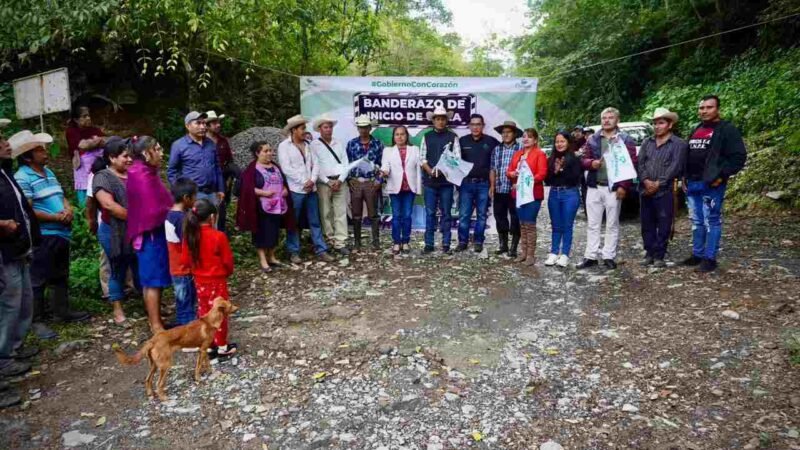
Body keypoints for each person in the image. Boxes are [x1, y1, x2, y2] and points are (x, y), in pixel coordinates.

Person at [14, 131, 89, 341]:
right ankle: (37, 320)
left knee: (60, 274)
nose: (44, 152)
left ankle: (62, 311)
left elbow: (61, 195)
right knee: (38, 278)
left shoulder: (48, 172)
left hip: (60, 232)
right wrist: (55, 217)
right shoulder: (23, 176)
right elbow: (28, 210)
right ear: (28, 156)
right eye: (39, 150)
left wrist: (68, 209)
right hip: (44, 234)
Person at [682, 95, 747, 273]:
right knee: (696, 221)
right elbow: (688, 155)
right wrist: (684, 177)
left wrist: (721, 176)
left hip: (712, 184)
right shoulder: (696, 129)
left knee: (711, 220)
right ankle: (697, 254)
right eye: (701, 108)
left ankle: (710, 258)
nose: (704, 111)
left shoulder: (727, 129)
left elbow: (738, 157)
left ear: (717, 109)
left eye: (709, 107)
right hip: (693, 183)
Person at [1, 122, 41, 396]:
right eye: (1, 140)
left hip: (18, 249)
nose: (7, 143)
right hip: (5, 252)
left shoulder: (6, 174)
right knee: (9, 304)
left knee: (23, 301)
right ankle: (3, 359)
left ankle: (13, 349)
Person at [577, 107, 638, 271]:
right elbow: (583, 160)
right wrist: (591, 163)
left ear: (617, 120)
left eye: (610, 117)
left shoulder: (625, 139)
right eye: (604, 117)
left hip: (614, 188)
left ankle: (608, 256)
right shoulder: (593, 139)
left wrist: (624, 186)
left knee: (612, 223)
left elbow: (631, 164)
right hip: (594, 186)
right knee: (593, 223)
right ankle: (590, 256)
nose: (607, 120)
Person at [180, 198, 237, 358]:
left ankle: (209, 344)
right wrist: (226, 272)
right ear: (212, 217)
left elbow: (184, 261)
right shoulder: (218, 236)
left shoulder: (190, 237)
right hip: (217, 282)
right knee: (220, 313)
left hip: (199, 282)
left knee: (204, 312)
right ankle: (222, 346)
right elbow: (227, 261)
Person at [126, 136, 172, 333]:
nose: (161, 153)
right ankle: (155, 324)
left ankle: (156, 319)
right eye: (158, 149)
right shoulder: (140, 174)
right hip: (149, 234)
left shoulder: (147, 172)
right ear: (146, 153)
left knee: (156, 279)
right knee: (152, 281)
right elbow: (151, 210)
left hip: (156, 232)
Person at [93, 137, 140, 325]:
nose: (130, 160)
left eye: (131, 156)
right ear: (112, 158)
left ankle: (150, 303)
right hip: (113, 231)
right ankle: (118, 310)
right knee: (118, 269)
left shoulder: (134, 174)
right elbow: (108, 205)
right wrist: (137, 218)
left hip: (136, 230)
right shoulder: (103, 177)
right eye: (125, 156)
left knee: (140, 267)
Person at [277, 115, 334, 263]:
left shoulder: (308, 145)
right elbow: (286, 168)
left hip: (311, 189)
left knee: (315, 221)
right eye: (302, 128)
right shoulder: (284, 146)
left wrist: (312, 180)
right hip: (296, 190)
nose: (305, 131)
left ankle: (321, 249)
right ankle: (293, 251)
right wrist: (304, 181)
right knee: (293, 222)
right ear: (294, 130)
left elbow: (316, 164)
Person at [638, 108, 688, 268]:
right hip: (645, 189)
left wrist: (659, 183)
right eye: (655, 123)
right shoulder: (647, 142)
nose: (657, 126)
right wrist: (645, 180)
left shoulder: (679, 144)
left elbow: (676, 166)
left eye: (661, 123)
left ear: (670, 124)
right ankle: (649, 252)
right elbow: (641, 163)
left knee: (664, 222)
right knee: (647, 222)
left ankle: (659, 254)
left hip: (665, 190)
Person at [237, 141, 291, 272]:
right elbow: (245, 188)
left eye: (270, 150)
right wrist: (263, 192)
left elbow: (283, 182)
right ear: (257, 153)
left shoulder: (275, 166)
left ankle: (271, 256)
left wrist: (285, 190)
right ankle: (263, 259)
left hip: (278, 205)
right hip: (261, 206)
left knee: (274, 231)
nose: (269, 153)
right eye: (265, 151)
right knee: (261, 232)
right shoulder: (252, 169)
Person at [420, 106, 461, 254]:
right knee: (430, 213)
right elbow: (422, 158)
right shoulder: (427, 136)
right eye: (438, 119)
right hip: (430, 182)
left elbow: (457, 159)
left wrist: (444, 169)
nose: (440, 121)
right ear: (433, 121)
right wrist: (430, 170)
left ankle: (446, 244)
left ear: (446, 120)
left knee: (446, 214)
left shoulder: (452, 137)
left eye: (443, 119)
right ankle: (429, 244)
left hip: (446, 183)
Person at [167, 111, 225, 214]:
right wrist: (181, 193)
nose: (203, 127)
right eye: (198, 123)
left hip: (212, 193)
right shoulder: (179, 145)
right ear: (187, 126)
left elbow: (217, 167)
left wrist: (221, 189)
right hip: (193, 195)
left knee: (213, 224)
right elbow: (172, 171)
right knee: (194, 226)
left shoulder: (210, 143)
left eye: (204, 123)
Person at [457, 114, 498, 253]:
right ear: (469, 126)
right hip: (466, 184)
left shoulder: (492, 142)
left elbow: (497, 163)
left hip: (484, 184)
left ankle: (478, 241)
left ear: (483, 126)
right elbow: (455, 163)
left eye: (478, 124)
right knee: (464, 215)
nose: (475, 127)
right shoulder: (461, 141)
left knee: (481, 215)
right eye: (473, 124)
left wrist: (493, 185)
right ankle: (462, 241)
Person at [506, 128, 548, 266]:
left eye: (529, 137)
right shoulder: (518, 154)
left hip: (532, 194)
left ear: (535, 140)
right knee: (522, 224)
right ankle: (523, 252)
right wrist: (512, 175)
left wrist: (526, 180)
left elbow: (542, 174)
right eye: (524, 137)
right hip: (518, 194)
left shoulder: (539, 154)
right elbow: (509, 171)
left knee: (529, 224)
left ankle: (531, 255)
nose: (526, 139)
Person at [310, 115, 350, 255]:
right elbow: (315, 166)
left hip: (340, 182)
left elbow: (345, 163)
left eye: (330, 127)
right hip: (323, 183)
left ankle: (340, 242)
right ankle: (330, 240)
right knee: (325, 212)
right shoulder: (314, 145)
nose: (328, 130)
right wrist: (327, 181)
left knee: (340, 212)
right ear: (319, 129)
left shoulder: (338, 143)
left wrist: (340, 180)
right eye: (325, 127)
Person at [380, 126, 422, 255]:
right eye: (397, 134)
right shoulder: (388, 151)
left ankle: (406, 242)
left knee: (407, 216)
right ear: (393, 137)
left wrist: (418, 187)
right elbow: (385, 165)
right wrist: (384, 172)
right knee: (397, 216)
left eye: (402, 134)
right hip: (395, 188)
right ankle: (397, 242)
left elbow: (418, 169)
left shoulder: (414, 149)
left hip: (409, 188)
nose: (399, 137)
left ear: (406, 136)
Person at [544, 131, 583, 268]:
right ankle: (554, 252)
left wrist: (561, 169)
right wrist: (554, 171)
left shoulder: (574, 159)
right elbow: (547, 180)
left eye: (562, 141)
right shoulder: (551, 159)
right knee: (556, 225)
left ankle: (565, 254)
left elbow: (575, 178)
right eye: (557, 142)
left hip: (570, 193)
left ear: (568, 142)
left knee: (567, 225)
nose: (559, 144)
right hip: (554, 193)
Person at [346, 114, 384, 250]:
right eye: (360, 127)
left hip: (371, 182)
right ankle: (357, 242)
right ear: (357, 128)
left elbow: (382, 164)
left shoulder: (378, 144)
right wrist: (349, 179)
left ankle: (375, 242)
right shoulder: (351, 144)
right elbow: (347, 164)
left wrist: (379, 180)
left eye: (365, 127)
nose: (363, 130)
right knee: (356, 214)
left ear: (370, 127)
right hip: (356, 182)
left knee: (373, 214)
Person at [165, 178, 198, 326]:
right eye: (194, 196)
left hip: (175, 266)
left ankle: (183, 323)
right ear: (186, 198)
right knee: (186, 301)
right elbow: (188, 244)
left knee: (182, 300)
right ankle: (188, 331)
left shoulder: (169, 214)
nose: (196, 200)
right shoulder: (182, 219)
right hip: (184, 268)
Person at [491, 121, 523, 257]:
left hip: (515, 189)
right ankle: (503, 244)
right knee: (499, 216)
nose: (505, 135)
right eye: (503, 132)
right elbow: (493, 169)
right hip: (499, 188)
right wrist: (492, 186)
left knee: (516, 217)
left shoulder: (521, 149)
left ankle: (514, 247)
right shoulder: (497, 149)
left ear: (514, 134)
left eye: (508, 132)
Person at [205, 111, 239, 233]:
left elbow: (229, 160)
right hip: (207, 180)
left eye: (218, 122)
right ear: (207, 126)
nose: (218, 125)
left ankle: (220, 235)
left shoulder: (223, 141)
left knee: (221, 209)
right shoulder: (202, 142)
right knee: (206, 208)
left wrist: (230, 179)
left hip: (223, 179)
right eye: (214, 123)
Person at [65, 106, 105, 206]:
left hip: (97, 168)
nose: (88, 118)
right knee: (85, 199)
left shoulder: (94, 130)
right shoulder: (71, 132)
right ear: (76, 119)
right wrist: (96, 141)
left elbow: (104, 141)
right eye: (84, 116)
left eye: (89, 115)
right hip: (82, 169)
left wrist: (90, 143)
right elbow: (82, 145)